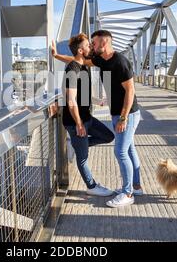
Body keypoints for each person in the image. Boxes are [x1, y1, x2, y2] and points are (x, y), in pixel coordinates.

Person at [52, 30, 142, 208]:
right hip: (112, 114)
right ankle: (135, 186)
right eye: (89, 44)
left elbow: (130, 91)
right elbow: (77, 62)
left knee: (121, 151)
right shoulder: (100, 60)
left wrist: (123, 118)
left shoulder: (120, 62)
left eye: (93, 43)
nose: (91, 46)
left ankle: (128, 193)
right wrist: (56, 56)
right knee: (129, 149)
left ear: (104, 42)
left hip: (127, 114)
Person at [60, 33, 115, 197]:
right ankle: (91, 186)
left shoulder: (83, 65)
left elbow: (82, 95)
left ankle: (77, 145)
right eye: (87, 45)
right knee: (83, 158)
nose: (91, 46)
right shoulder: (73, 69)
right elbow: (70, 100)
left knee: (108, 136)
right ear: (80, 50)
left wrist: (97, 101)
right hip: (75, 122)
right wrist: (78, 124)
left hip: (87, 118)